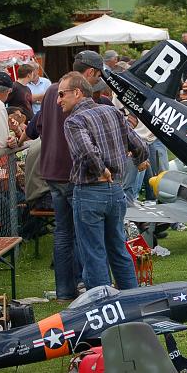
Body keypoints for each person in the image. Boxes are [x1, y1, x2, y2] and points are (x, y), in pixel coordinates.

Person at [24, 50, 109, 302]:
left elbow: (36, 128)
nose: (97, 82)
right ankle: (85, 285)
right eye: (97, 76)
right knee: (83, 231)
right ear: (91, 72)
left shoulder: (51, 90)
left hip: (50, 171)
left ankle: (64, 291)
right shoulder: (77, 96)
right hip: (73, 172)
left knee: (62, 232)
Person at [59, 71, 148, 291]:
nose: (58, 99)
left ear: (77, 92)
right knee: (118, 249)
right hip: (115, 192)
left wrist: (102, 169)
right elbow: (139, 144)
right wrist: (139, 160)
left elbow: (87, 153)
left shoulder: (73, 121)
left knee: (94, 254)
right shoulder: (112, 111)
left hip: (90, 192)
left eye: (62, 94)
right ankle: (132, 301)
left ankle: (104, 307)